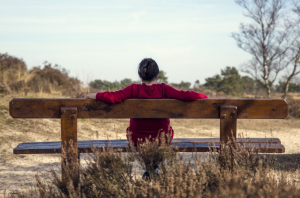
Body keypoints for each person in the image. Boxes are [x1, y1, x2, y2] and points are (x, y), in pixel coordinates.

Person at [84, 58, 208, 146]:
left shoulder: (133, 89)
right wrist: (204, 96)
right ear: (156, 76)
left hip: (137, 140)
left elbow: (113, 97)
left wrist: (91, 95)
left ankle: (150, 170)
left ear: (140, 74)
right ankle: (153, 169)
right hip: (161, 139)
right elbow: (185, 95)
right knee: (168, 131)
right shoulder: (164, 89)